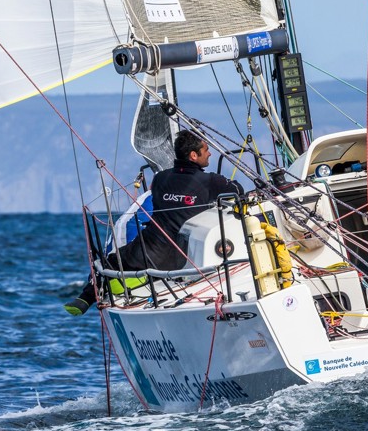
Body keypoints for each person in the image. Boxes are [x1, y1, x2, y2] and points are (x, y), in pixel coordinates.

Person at [64, 130, 243, 315]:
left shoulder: (160, 178)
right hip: (179, 258)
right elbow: (238, 189)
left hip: (145, 250)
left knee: (106, 263)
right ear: (193, 155)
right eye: (206, 150)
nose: (210, 153)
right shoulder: (210, 181)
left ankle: (84, 299)